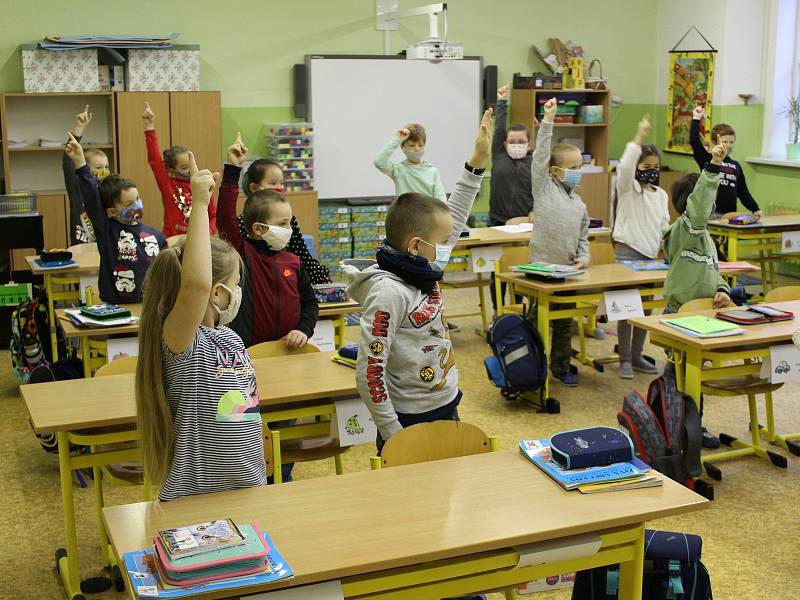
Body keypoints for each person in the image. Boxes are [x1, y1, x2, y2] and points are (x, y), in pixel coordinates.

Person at [345, 108, 493, 456]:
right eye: (442, 242)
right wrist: (391, 430)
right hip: (406, 419)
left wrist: (478, 159)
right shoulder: (388, 292)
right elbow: (370, 371)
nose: (447, 246)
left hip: (445, 402)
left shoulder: (423, 265)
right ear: (416, 245)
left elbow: (452, 216)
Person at [135, 151, 267, 501]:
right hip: (193, 495)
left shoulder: (230, 338)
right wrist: (200, 201)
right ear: (218, 293)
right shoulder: (182, 342)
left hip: (248, 485)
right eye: (236, 283)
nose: (240, 291)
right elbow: (195, 285)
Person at [217, 133, 319, 350]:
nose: (288, 230)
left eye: (289, 224)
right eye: (282, 224)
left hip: (288, 351)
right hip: (248, 353)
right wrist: (233, 170)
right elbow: (225, 218)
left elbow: (310, 303)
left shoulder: (293, 261)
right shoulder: (243, 255)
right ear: (258, 229)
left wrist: (304, 329)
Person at [662, 143, 733, 449]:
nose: (713, 203)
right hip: (681, 314)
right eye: (710, 198)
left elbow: (714, 273)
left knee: (694, 379)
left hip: (706, 318)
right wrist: (713, 168)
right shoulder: (684, 231)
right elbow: (698, 208)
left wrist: (722, 290)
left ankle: (691, 427)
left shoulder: (706, 239)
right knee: (677, 378)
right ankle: (675, 427)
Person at [528, 98, 590, 387]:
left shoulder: (578, 203)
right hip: (539, 270)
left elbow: (583, 236)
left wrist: (583, 257)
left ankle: (561, 366)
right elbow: (541, 154)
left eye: (581, 165)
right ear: (555, 171)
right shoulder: (543, 188)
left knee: (565, 325)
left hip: (566, 271)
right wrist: (548, 120)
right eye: (573, 166)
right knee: (535, 325)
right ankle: (530, 367)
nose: (578, 171)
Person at [65, 133, 166, 304]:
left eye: (138, 199)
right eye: (128, 204)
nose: (136, 206)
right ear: (111, 212)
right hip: (117, 309)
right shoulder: (108, 231)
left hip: (150, 309)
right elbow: (91, 197)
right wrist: (81, 163)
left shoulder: (155, 236)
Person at [612, 116, 669, 378]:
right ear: (637, 167)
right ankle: (623, 357)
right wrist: (639, 136)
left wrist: (665, 250)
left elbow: (664, 225)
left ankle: (636, 355)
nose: (652, 171)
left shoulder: (661, 195)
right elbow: (624, 166)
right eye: (646, 166)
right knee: (626, 309)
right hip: (626, 253)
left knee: (645, 309)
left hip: (651, 257)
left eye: (656, 167)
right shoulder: (627, 187)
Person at [239, 157, 332, 284]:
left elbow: (302, 255)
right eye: (273, 183)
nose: (279, 188)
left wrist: (323, 278)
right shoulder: (241, 223)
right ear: (255, 188)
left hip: (286, 282)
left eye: (281, 183)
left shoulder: (290, 219)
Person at [488, 84, 534, 312]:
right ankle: (498, 311)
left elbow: (542, 193)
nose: (516, 146)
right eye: (512, 142)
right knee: (496, 270)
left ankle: (518, 311)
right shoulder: (498, 155)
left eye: (521, 142)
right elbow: (499, 128)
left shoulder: (534, 164)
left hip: (524, 224)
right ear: (504, 144)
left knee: (519, 268)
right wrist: (502, 102)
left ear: (529, 144)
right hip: (496, 222)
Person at [142, 102, 218, 237]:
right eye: (184, 167)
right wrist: (150, 126)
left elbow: (213, 215)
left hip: (198, 239)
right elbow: (155, 160)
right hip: (173, 240)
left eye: (191, 165)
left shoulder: (202, 185)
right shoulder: (168, 183)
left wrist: (209, 230)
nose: (189, 170)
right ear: (172, 169)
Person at [690, 105, 762, 219]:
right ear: (714, 142)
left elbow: (743, 192)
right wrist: (696, 119)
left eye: (732, 142)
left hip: (729, 216)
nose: (728, 145)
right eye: (724, 142)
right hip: (710, 214)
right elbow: (694, 141)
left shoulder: (736, 166)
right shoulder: (707, 159)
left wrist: (755, 208)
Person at [63, 104, 105, 244]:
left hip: (103, 245)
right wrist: (79, 127)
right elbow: (68, 160)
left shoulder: (109, 190)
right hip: (80, 246)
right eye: (98, 167)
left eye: (107, 166)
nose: (103, 170)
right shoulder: (77, 187)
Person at [373, 123, 447, 202]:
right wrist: (398, 139)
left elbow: (442, 202)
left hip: (428, 213)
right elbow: (378, 161)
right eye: (412, 145)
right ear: (402, 146)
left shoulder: (432, 171)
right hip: (405, 213)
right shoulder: (398, 170)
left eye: (420, 145)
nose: (416, 149)